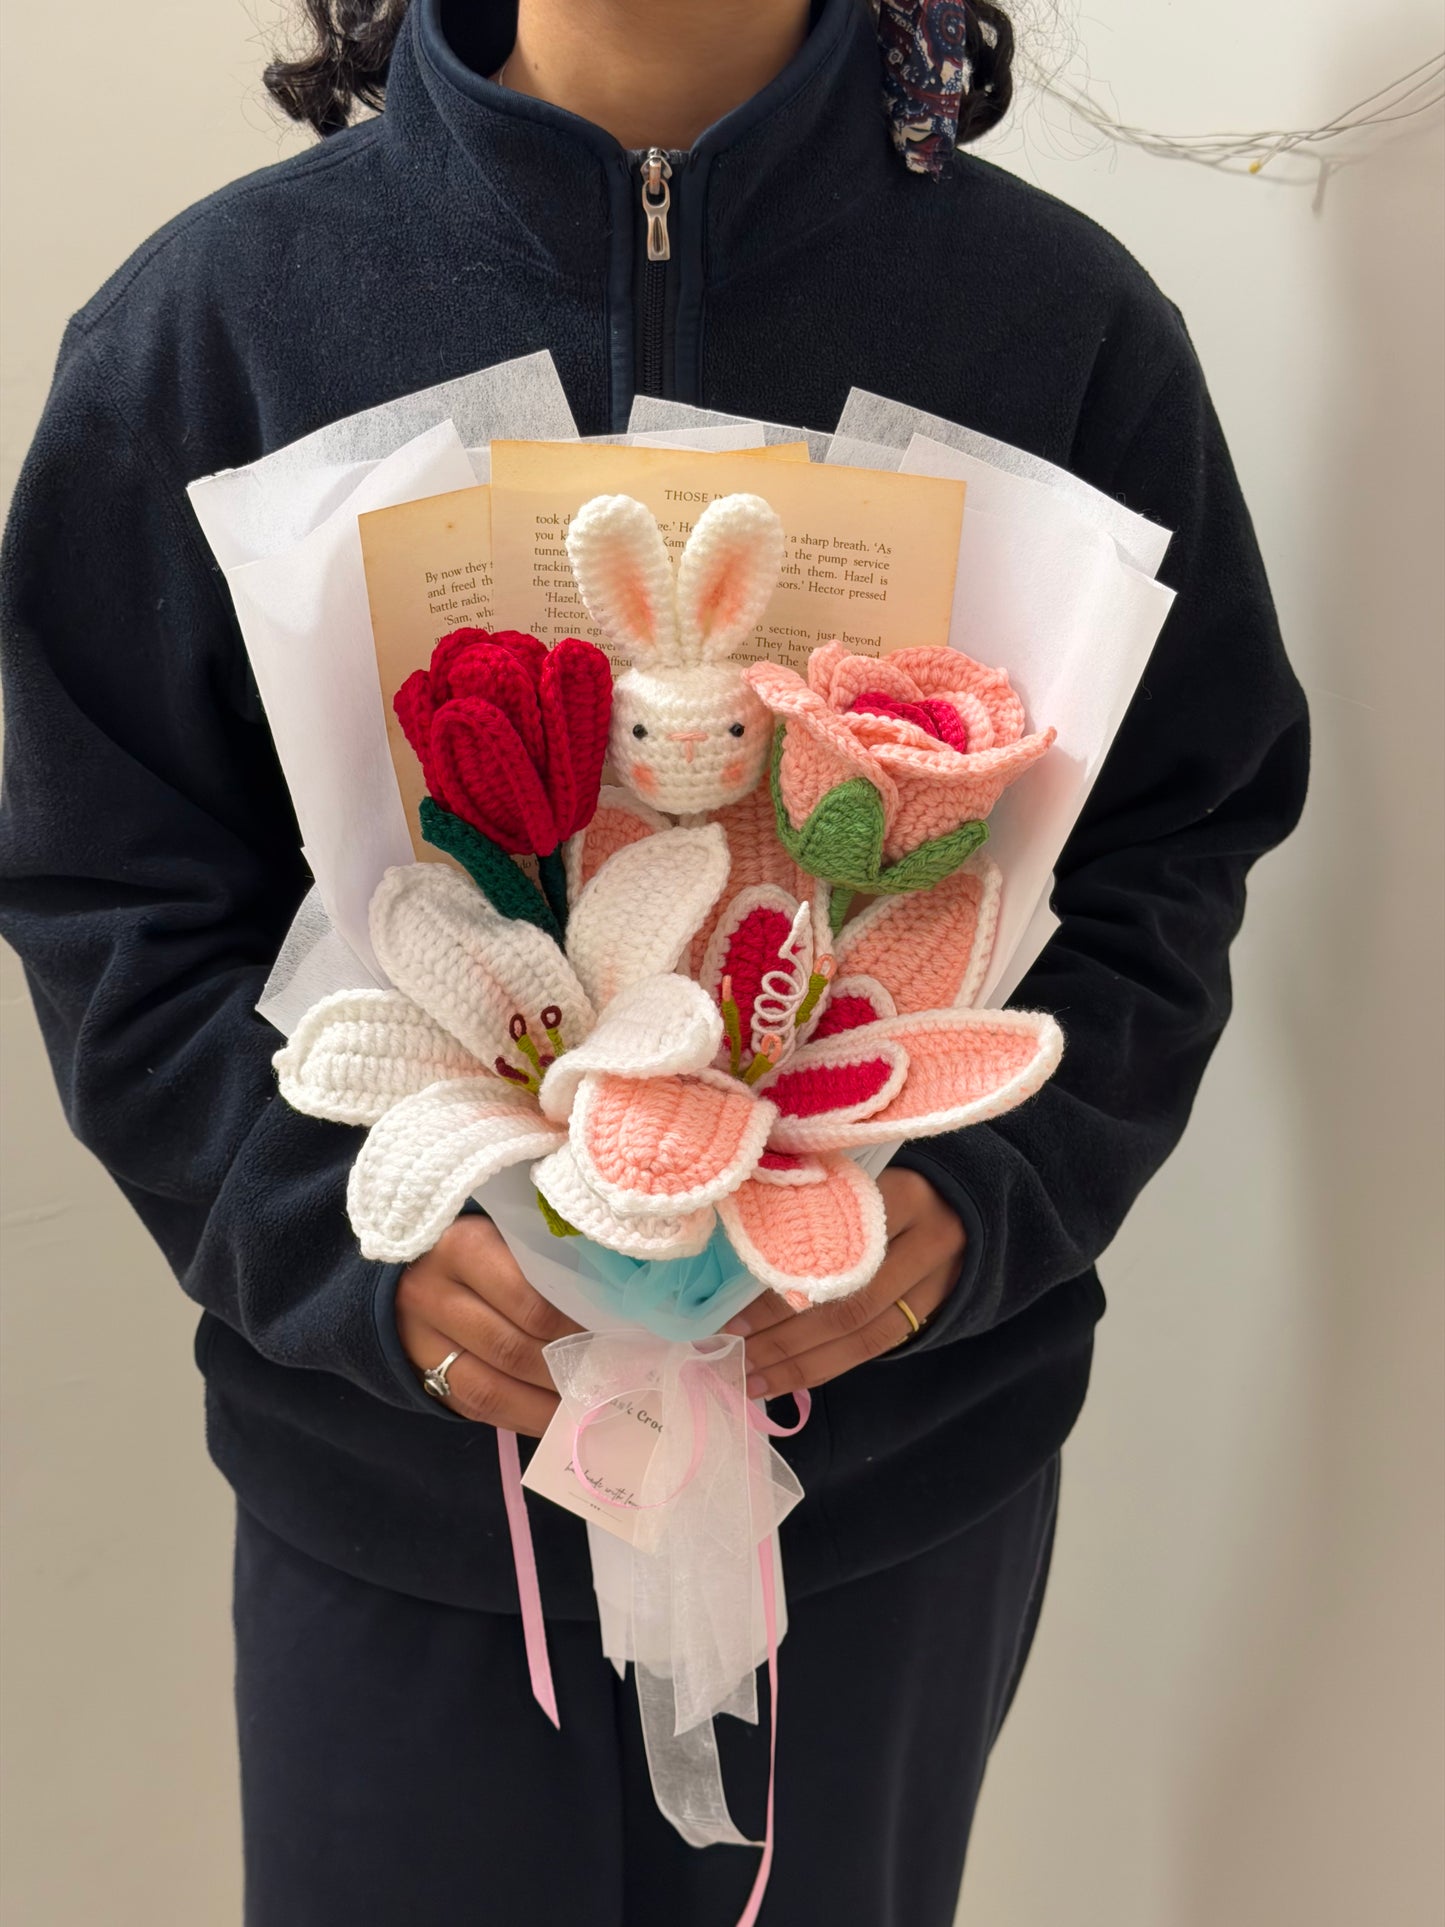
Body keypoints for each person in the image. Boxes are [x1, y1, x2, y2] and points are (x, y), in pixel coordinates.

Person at [0, 1, 1309, 1922]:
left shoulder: (1061, 324)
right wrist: (329, 1241)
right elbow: (106, 888)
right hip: (407, 1493)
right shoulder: (217, 323)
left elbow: (1174, 842)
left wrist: (980, 1200)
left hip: (882, 1482)